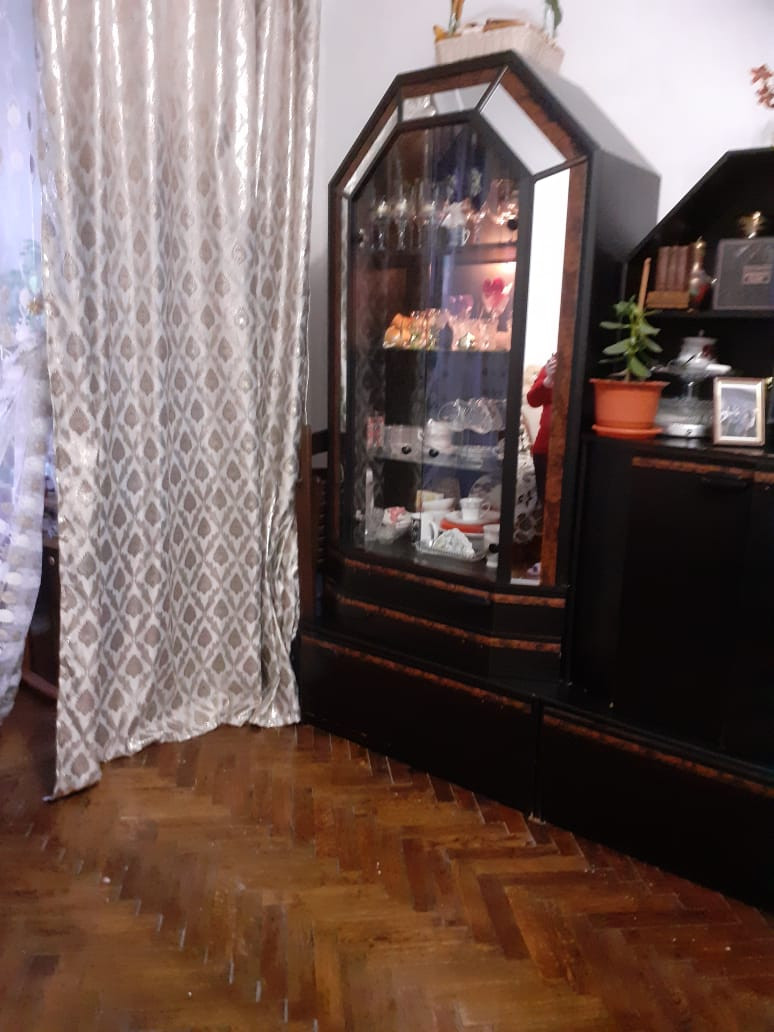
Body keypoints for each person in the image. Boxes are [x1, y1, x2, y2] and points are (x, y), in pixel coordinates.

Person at [526, 352, 557, 507]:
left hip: (570, 448)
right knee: (546, 503)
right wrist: (548, 380)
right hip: (545, 447)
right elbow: (532, 400)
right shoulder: (553, 365)